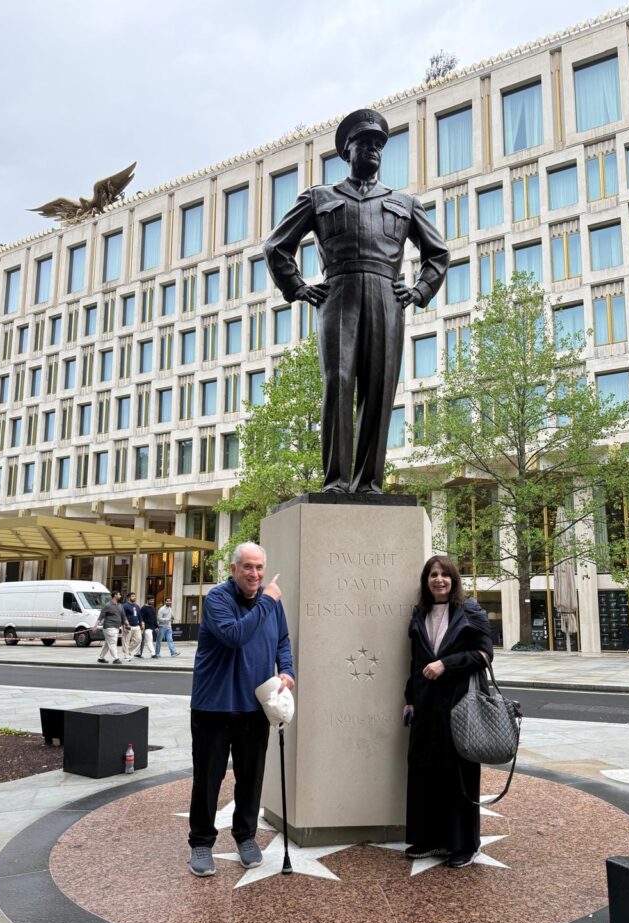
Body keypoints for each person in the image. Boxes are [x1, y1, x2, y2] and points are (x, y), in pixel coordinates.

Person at [264, 108, 449, 494]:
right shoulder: (319, 197)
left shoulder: (405, 202)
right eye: (365, 143)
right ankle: (336, 481)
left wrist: (419, 291)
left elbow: (438, 253)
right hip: (339, 293)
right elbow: (276, 246)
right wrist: (297, 286)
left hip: (387, 296)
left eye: (378, 144)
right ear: (347, 150)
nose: (373, 149)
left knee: (380, 388)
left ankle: (369, 484)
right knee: (338, 382)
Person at [188, 542, 295, 877]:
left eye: (259, 567)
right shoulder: (218, 599)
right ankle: (201, 842)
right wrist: (267, 601)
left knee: (251, 776)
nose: (254, 574)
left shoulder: (270, 603)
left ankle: (245, 836)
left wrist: (287, 670)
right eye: (248, 567)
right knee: (208, 778)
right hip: (214, 706)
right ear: (233, 569)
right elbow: (235, 636)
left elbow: (282, 640)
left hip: (254, 707)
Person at [403, 556, 493, 868]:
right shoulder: (420, 613)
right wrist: (409, 698)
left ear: (453, 580)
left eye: (444, 574)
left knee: (459, 775)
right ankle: (430, 838)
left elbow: (485, 654)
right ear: (426, 580)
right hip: (425, 706)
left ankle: (465, 844)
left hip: (459, 705)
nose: (438, 579)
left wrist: (446, 664)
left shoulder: (470, 610)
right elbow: (415, 661)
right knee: (425, 771)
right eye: (432, 574)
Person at [96, 591, 125, 665]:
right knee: (112, 642)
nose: (120, 596)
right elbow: (101, 616)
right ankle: (116, 658)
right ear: (115, 595)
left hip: (116, 627)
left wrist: (125, 625)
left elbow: (123, 616)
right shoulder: (108, 605)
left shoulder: (120, 605)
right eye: (119, 594)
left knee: (107, 644)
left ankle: (101, 658)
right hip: (109, 627)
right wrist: (95, 626)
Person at [121, 591, 142, 661]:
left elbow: (139, 615)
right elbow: (123, 616)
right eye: (133, 596)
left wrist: (142, 623)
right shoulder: (125, 606)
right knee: (126, 641)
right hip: (128, 625)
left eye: (135, 596)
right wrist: (125, 625)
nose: (134, 597)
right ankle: (126, 655)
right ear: (128, 598)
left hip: (136, 625)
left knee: (138, 639)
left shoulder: (137, 606)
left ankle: (128, 650)